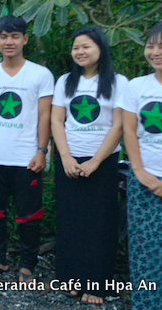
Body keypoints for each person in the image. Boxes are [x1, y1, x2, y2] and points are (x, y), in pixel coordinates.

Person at [0, 15, 53, 283]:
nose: (10, 42)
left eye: (15, 36)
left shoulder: (40, 75)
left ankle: (28, 263)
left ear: (25, 39)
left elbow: (45, 116)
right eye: (4, 37)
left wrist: (42, 150)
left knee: (29, 214)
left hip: (27, 157)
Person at [51, 26, 125, 305]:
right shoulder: (65, 81)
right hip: (69, 159)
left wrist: (95, 160)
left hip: (102, 161)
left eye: (86, 47)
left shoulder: (118, 82)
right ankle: (71, 278)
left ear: (101, 49)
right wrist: (67, 157)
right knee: (70, 219)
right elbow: (57, 120)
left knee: (100, 222)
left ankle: (97, 284)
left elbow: (119, 125)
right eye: (76, 47)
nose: (80, 52)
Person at [119, 21, 162, 310]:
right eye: (150, 45)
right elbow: (129, 131)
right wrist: (139, 171)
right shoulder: (136, 86)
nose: (155, 52)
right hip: (141, 182)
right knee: (143, 252)